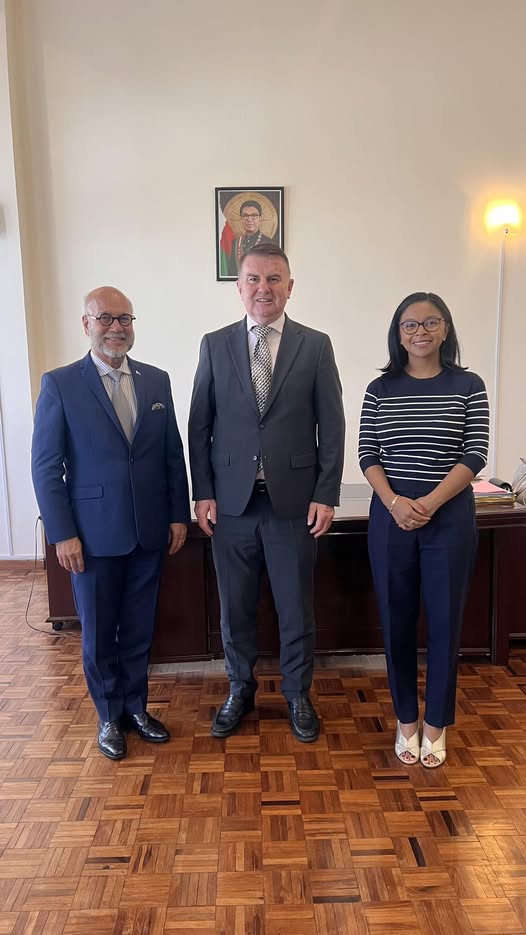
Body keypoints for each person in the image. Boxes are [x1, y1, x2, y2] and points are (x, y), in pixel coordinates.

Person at [189, 244, 345, 742]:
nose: (264, 288)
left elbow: (332, 425)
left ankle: (298, 694)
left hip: (294, 504)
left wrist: (326, 492)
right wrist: (202, 491)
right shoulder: (214, 345)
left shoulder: (315, 345)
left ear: (290, 287)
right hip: (231, 506)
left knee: (296, 607)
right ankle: (240, 689)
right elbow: (200, 424)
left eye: (274, 278)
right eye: (254, 279)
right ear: (239, 287)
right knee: (234, 609)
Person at [31, 286, 190, 760]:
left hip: (149, 531)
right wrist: (62, 533)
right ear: (87, 324)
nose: (116, 327)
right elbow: (46, 467)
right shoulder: (61, 384)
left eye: (124, 318)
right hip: (91, 536)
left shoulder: (156, 380)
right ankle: (107, 715)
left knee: (139, 628)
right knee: (99, 633)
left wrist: (177, 515)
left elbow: (172, 455)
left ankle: (136, 707)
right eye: (106, 318)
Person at [358, 292, 489, 767]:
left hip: (448, 519)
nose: (420, 332)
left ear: (446, 328)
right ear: (398, 334)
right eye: (410, 324)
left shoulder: (468, 384)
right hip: (391, 517)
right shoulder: (380, 388)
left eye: (431, 322)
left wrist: (430, 503)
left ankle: (436, 724)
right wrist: (395, 503)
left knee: (445, 624)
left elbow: (475, 452)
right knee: (396, 623)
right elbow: (367, 453)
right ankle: (406, 720)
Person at [227, 200, 274, 276]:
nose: (249, 219)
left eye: (254, 216)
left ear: (260, 219)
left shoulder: (270, 244)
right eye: (245, 216)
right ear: (241, 219)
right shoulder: (235, 243)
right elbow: (231, 272)